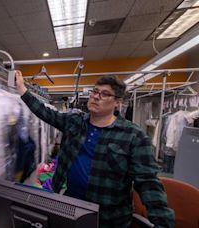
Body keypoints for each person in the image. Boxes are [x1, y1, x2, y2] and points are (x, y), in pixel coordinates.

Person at [15, 71, 175, 227]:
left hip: (108, 218)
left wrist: (163, 222)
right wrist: (22, 89)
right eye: (95, 91)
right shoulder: (74, 122)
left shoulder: (133, 136)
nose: (96, 96)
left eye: (105, 94)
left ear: (118, 101)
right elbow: (45, 113)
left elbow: (148, 183)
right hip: (70, 207)